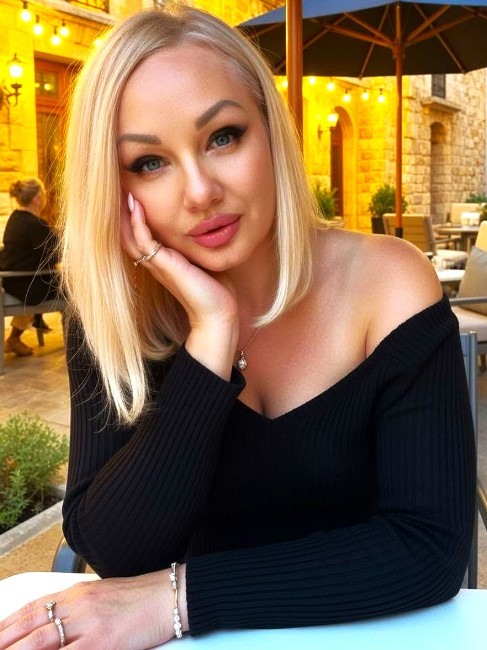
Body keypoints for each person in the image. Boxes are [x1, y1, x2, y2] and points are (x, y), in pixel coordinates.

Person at [0, 4, 476, 649]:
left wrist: (179, 599)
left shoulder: (388, 284)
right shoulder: (112, 308)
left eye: (223, 136)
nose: (199, 192)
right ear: (112, 187)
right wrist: (211, 337)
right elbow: (114, 550)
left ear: (272, 131)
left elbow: (428, 545)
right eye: (149, 162)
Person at [0, 178, 59, 356]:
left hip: (13, 281)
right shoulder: (34, 224)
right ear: (37, 198)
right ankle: (80, 343)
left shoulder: (16, 217)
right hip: (27, 285)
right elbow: (56, 252)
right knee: (73, 290)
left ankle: (14, 339)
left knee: (56, 278)